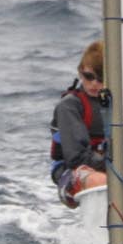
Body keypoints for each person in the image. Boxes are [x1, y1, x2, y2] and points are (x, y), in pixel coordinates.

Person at [49, 40, 109, 209]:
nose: (94, 84)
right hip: (71, 171)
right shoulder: (70, 106)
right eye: (89, 77)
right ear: (80, 72)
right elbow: (76, 158)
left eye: (101, 78)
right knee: (101, 181)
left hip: (113, 166)